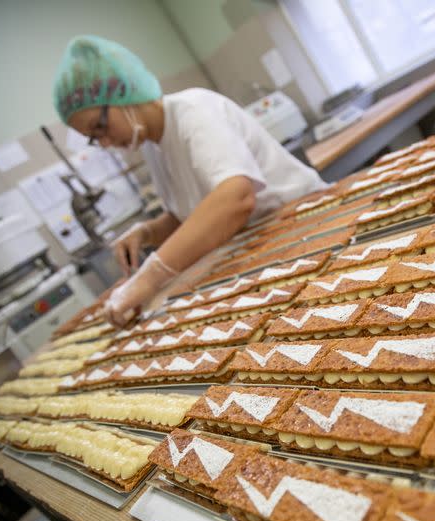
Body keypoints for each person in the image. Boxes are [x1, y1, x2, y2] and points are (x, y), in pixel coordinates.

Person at [53, 35, 327, 327]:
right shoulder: (153, 144)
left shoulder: (193, 112)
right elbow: (191, 212)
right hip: (267, 242)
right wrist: (145, 232)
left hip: (308, 223)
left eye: (101, 126)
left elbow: (235, 198)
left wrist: (150, 276)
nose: (105, 142)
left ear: (123, 91)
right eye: (95, 138)